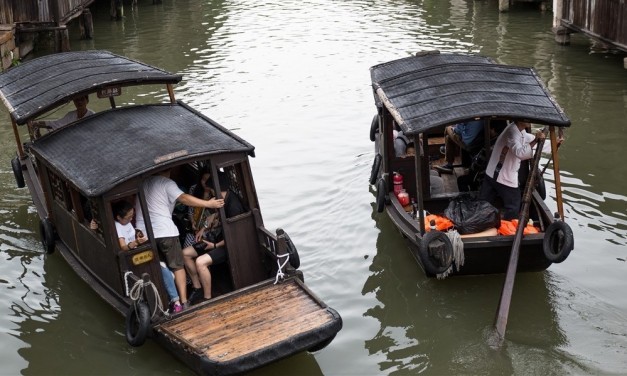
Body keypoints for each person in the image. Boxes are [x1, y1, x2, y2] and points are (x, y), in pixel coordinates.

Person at [134, 170, 224, 309]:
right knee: (177, 266)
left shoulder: (142, 182)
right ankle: (183, 302)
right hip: (165, 231)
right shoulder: (166, 183)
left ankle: (163, 303)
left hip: (143, 234)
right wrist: (209, 204)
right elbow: (183, 198)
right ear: (168, 170)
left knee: (157, 266)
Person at [183, 172, 245, 304]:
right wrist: (203, 228)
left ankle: (207, 299)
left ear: (216, 189)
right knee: (185, 254)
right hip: (219, 238)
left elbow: (234, 237)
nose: (210, 193)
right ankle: (197, 286)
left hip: (229, 245)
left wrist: (215, 246)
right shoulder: (222, 200)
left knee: (200, 262)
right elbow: (214, 216)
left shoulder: (234, 206)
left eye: (211, 190)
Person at [112, 200, 183, 313]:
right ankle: (172, 302)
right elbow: (123, 247)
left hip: (140, 254)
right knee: (163, 272)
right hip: (132, 259)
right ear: (119, 218)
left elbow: (132, 233)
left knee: (165, 271)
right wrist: (135, 243)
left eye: (132, 216)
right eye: (128, 217)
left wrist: (138, 235)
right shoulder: (117, 226)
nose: (131, 219)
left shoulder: (127, 223)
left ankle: (175, 301)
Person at [478, 120, 546, 220]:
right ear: (519, 119)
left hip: (494, 172)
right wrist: (536, 140)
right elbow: (520, 153)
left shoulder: (519, 131)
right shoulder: (512, 132)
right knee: (513, 206)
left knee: (483, 202)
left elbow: (529, 138)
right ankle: (506, 227)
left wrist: (554, 143)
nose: (529, 121)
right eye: (526, 119)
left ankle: (483, 220)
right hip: (502, 175)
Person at [183, 167, 214, 248]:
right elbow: (190, 209)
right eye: (204, 180)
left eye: (209, 180)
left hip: (208, 230)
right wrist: (192, 221)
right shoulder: (194, 189)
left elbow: (214, 215)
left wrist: (204, 228)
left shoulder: (215, 192)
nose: (206, 183)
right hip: (194, 227)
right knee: (186, 249)